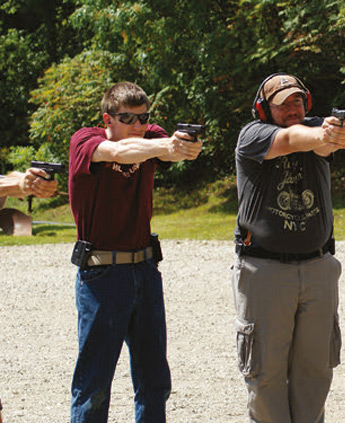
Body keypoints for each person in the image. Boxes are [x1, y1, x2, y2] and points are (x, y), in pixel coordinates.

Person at [67, 81, 203, 422]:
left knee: (154, 379)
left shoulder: (149, 136)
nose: (138, 126)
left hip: (144, 268)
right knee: (94, 384)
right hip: (102, 275)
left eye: (143, 119)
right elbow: (118, 153)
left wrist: (183, 147)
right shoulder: (86, 140)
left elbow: (169, 151)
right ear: (107, 119)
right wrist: (164, 145)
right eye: (128, 118)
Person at [232, 73, 345, 423]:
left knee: (315, 373)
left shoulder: (317, 132)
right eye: (282, 103)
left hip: (318, 267)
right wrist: (323, 134)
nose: (292, 108)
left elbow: (324, 143)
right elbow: (290, 139)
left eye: (297, 100)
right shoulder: (252, 135)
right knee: (265, 375)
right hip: (265, 271)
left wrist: (334, 134)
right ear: (263, 109)